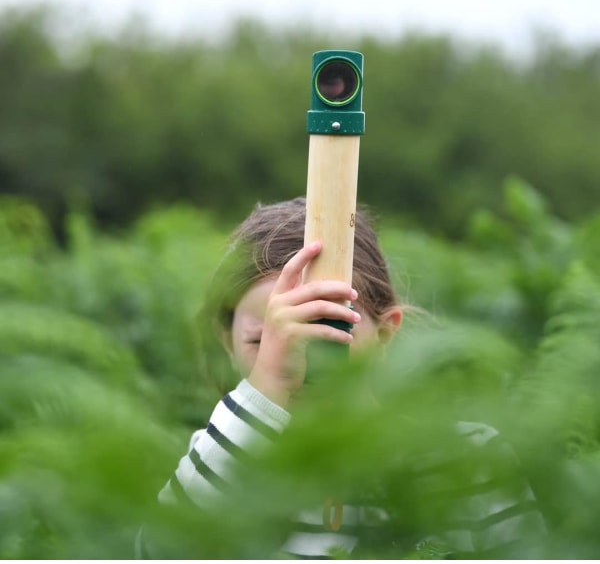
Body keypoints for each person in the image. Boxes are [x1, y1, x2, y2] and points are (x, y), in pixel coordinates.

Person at [136, 196, 547, 559]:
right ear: (228, 344)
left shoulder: (470, 459)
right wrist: (266, 389)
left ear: (384, 334)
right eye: (265, 341)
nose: (295, 362)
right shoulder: (221, 458)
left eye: (327, 334)